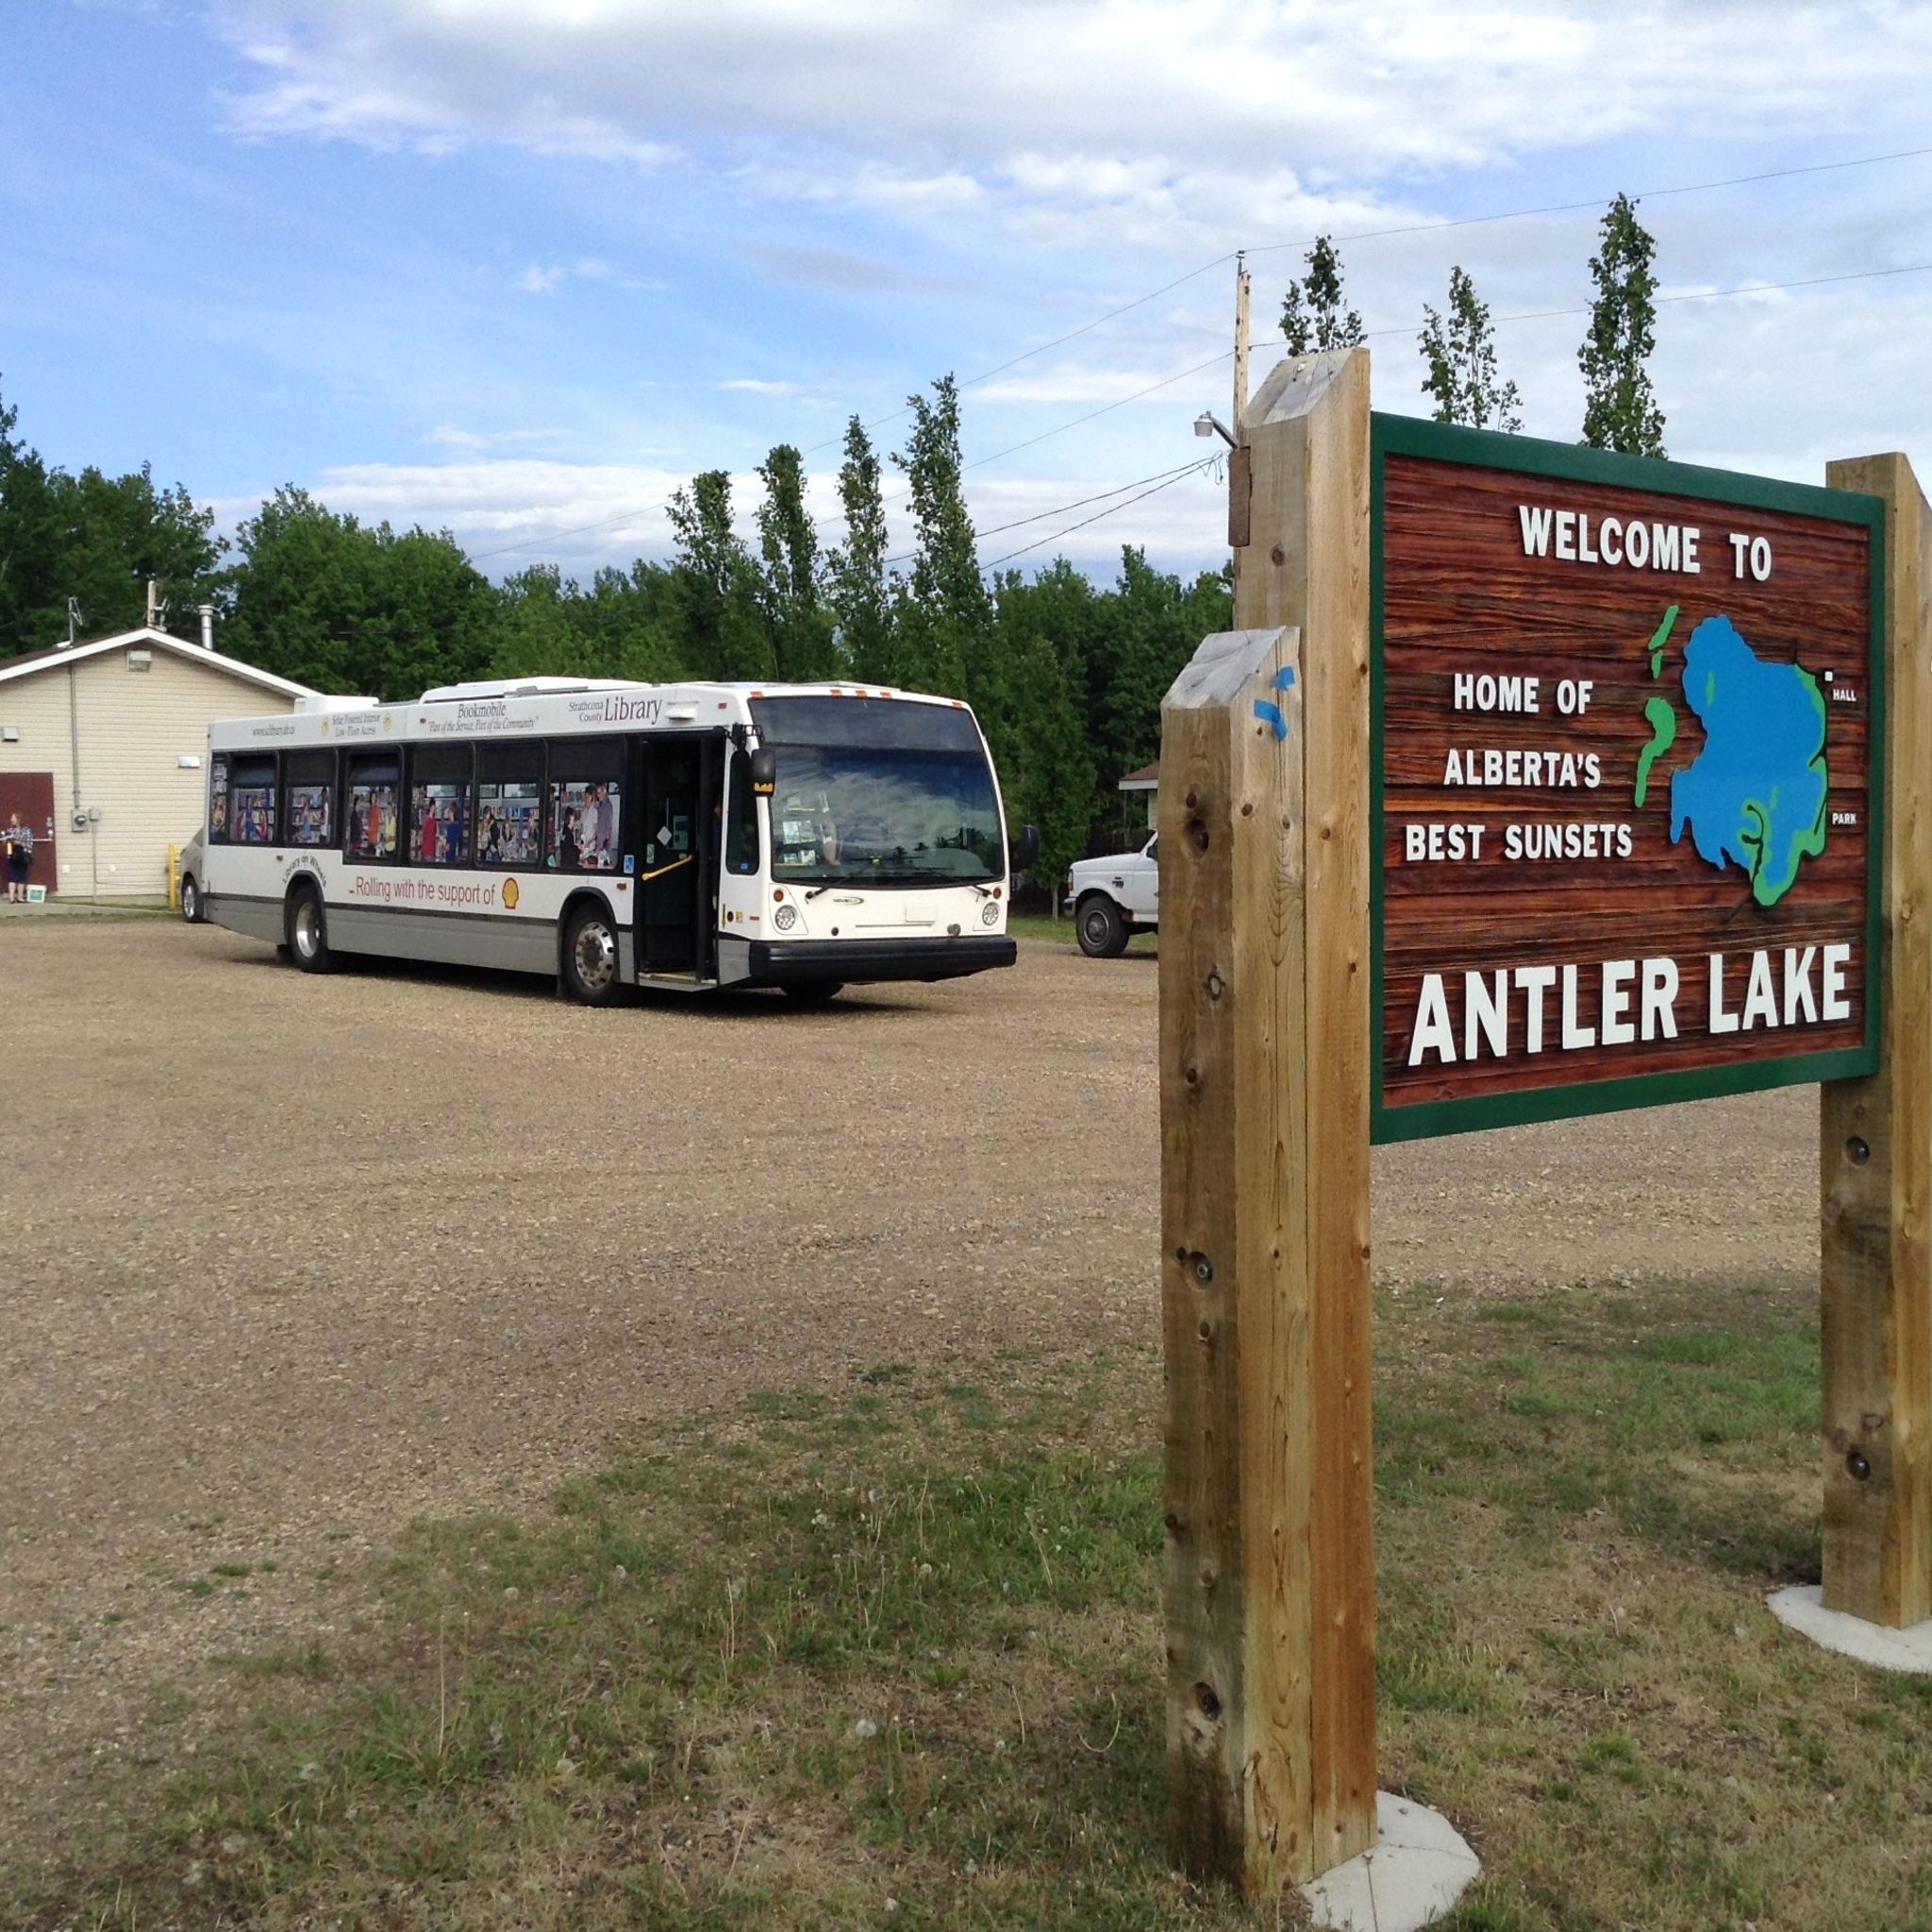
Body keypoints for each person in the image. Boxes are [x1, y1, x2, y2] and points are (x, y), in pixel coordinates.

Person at [3, 812, 31, 903]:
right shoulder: (9, 831)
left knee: (21, 876)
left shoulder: (26, 830)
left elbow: (29, 844)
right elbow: (5, 843)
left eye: (13, 818)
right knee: (12, 876)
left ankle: (20, 897)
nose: (11, 820)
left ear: (18, 819)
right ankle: (11, 898)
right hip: (12, 854)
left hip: (22, 855)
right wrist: (6, 841)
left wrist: (19, 843)